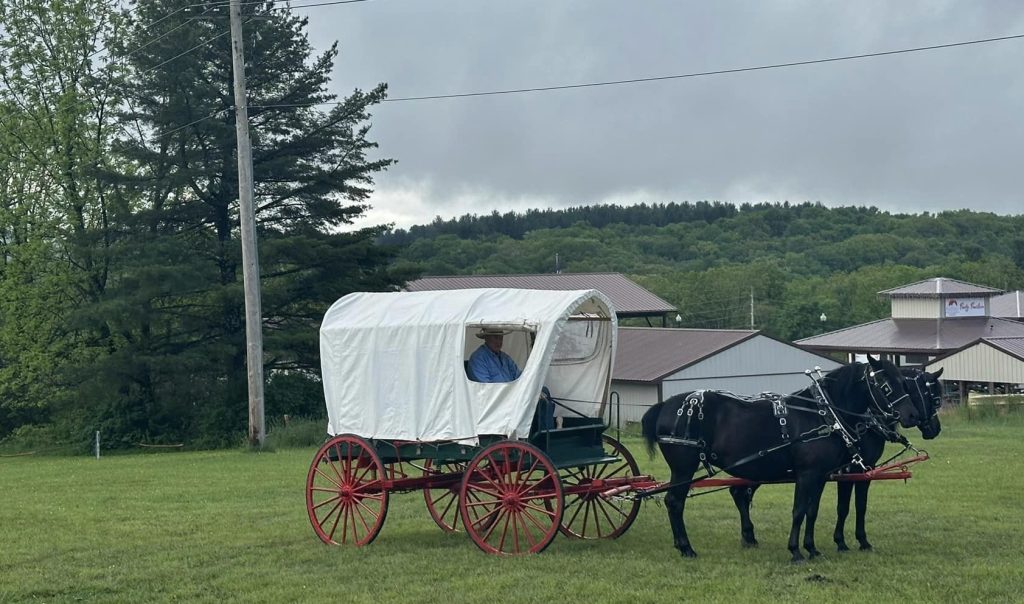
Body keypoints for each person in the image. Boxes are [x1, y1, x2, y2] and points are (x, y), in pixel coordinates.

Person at [468, 327, 557, 429]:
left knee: (543, 391)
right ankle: (542, 434)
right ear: (486, 338)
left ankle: (544, 433)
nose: (499, 341)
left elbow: (520, 377)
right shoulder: (478, 358)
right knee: (540, 400)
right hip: (495, 402)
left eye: (501, 338)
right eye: (495, 337)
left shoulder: (504, 358)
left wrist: (532, 389)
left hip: (511, 396)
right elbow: (486, 389)